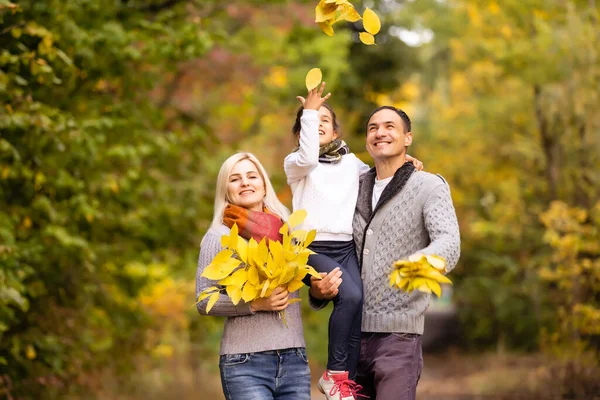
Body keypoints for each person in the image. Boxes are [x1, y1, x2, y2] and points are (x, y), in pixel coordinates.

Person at [285, 85, 423, 400]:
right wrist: (309, 111)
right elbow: (307, 155)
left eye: (324, 119)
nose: (317, 122)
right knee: (347, 295)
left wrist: (404, 162)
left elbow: (379, 173)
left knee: (355, 301)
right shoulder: (296, 164)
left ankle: (343, 381)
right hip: (311, 246)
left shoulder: (351, 164)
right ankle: (334, 373)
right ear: (301, 131)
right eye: (311, 120)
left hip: (345, 247)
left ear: (335, 132)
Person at [195, 152, 342, 400]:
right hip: (244, 363)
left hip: (294, 359)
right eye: (235, 178)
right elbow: (203, 300)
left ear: (263, 184)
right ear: (226, 189)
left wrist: (319, 290)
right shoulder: (219, 235)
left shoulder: (289, 229)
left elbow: (306, 282)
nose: (245, 182)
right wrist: (254, 305)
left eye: (252, 176)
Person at [346, 106, 460, 400]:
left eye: (389, 126)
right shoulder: (351, 187)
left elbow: (449, 242)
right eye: (372, 128)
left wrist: (416, 264)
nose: (380, 132)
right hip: (349, 335)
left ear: (407, 138)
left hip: (399, 336)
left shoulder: (428, 185)